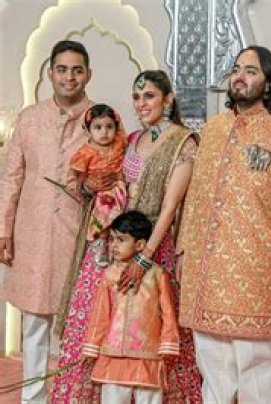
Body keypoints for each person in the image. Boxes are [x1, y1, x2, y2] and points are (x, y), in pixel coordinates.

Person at [51, 70, 202, 402]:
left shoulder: (183, 142)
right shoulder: (132, 139)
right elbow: (111, 185)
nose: (141, 103)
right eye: (136, 97)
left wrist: (144, 258)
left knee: (149, 329)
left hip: (153, 248)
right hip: (116, 244)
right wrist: (90, 187)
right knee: (98, 322)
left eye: (149, 96)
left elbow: (170, 207)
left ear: (168, 99)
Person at [177, 45, 271, 403]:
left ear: (270, 82)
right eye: (237, 69)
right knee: (213, 366)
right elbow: (196, 196)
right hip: (208, 269)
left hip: (258, 269)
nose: (240, 76)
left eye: (251, 71)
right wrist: (184, 250)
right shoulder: (214, 129)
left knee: (260, 368)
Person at [0, 39, 93, 403]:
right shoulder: (29, 119)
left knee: (79, 324)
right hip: (33, 233)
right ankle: (33, 398)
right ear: (50, 73)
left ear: (88, 74)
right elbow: (11, 179)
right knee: (35, 324)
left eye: (77, 70)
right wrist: (3, 230)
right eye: (62, 69)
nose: (69, 77)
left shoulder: (100, 119)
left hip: (80, 235)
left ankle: (74, 397)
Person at [82, 210, 179, 404]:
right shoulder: (109, 275)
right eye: (112, 239)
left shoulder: (157, 275)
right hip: (113, 354)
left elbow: (168, 313)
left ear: (140, 245)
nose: (113, 245)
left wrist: (168, 343)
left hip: (147, 354)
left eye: (121, 240)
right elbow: (101, 314)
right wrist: (92, 347)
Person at [68, 103, 127, 264]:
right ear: (88, 131)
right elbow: (73, 177)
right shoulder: (85, 152)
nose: (104, 132)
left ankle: (118, 244)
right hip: (100, 193)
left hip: (121, 187)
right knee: (104, 207)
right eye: (98, 127)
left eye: (109, 127)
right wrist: (83, 185)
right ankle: (100, 242)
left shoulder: (120, 143)